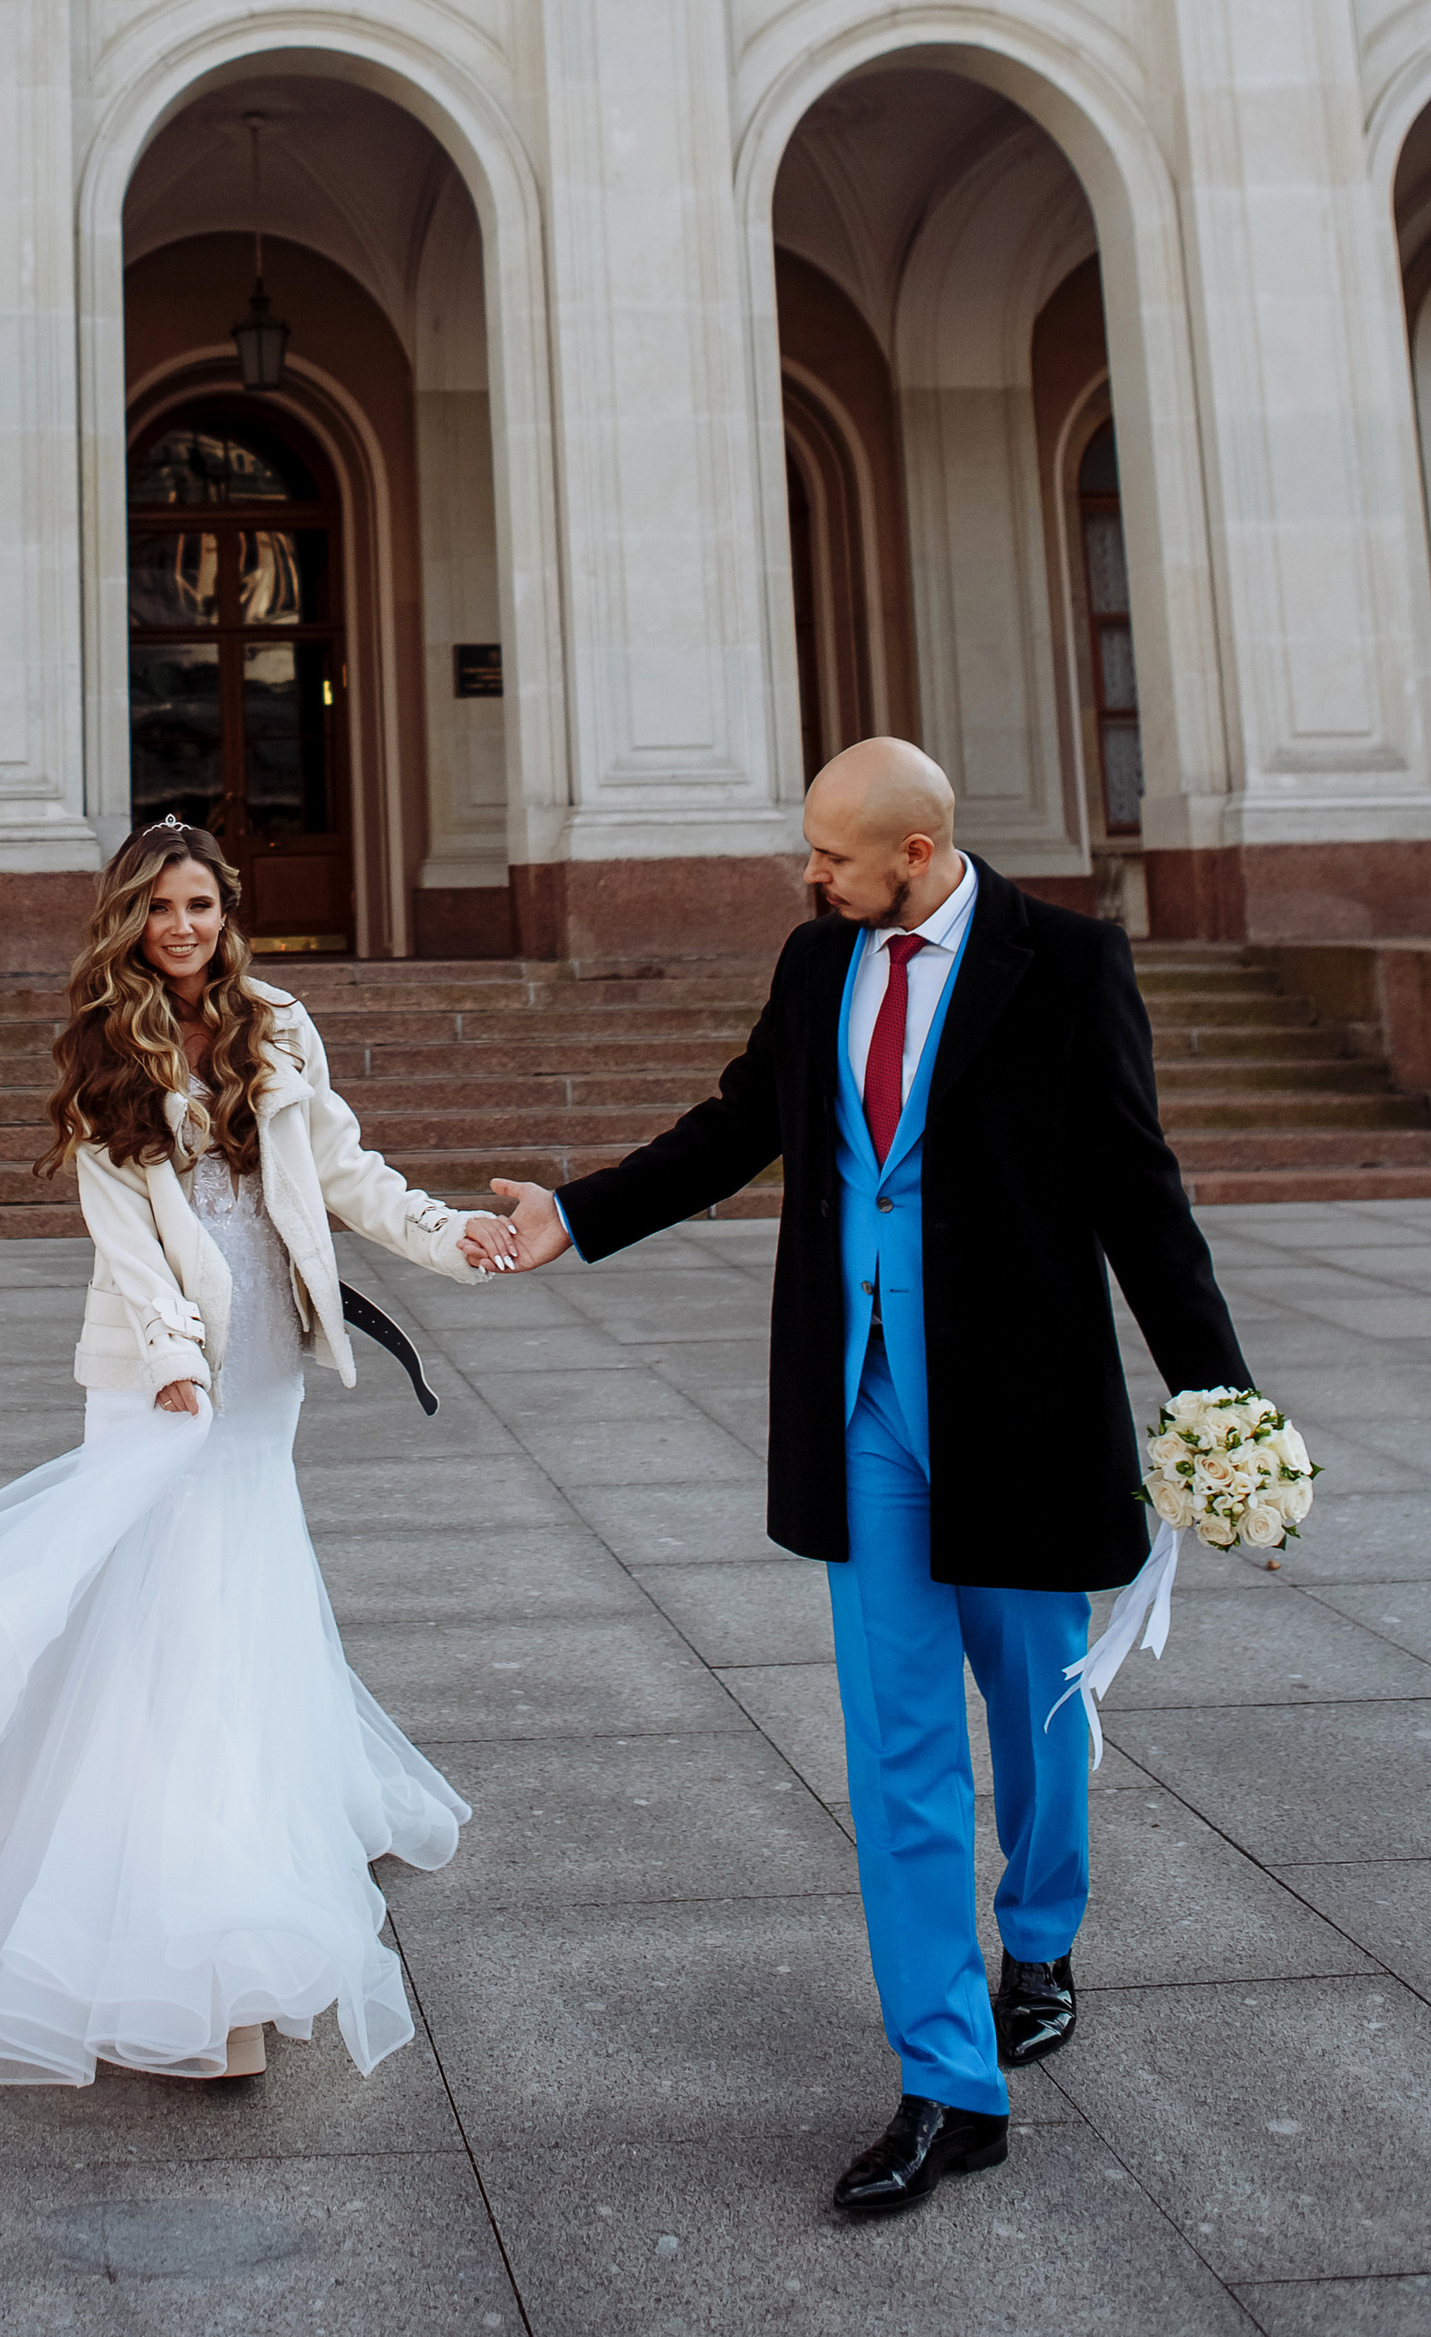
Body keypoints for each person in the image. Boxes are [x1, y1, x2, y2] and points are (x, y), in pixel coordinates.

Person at [485, 736, 1258, 2217]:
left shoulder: (1070, 964)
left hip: (1024, 1410)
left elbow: (1136, 1191)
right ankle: (947, 2083)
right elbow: (741, 1127)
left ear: (916, 852)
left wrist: (1222, 1404)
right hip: (863, 1413)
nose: (809, 874)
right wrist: (574, 1218)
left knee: (1033, 1701)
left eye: (833, 855)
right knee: (898, 1742)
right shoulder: (814, 961)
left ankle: (1040, 1928)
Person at [0, 813, 515, 2086]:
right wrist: (168, 1361)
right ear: (128, 921)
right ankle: (190, 1937)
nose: (182, 929)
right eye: (160, 910)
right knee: (167, 1619)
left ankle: (249, 1841)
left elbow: (347, 1174)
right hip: (159, 1368)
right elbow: (123, 1230)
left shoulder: (278, 1024)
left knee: (236, 1594)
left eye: (200, 907)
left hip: (264, 1352)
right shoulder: (107, 1041)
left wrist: (449, 1237)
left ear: (228, 913)